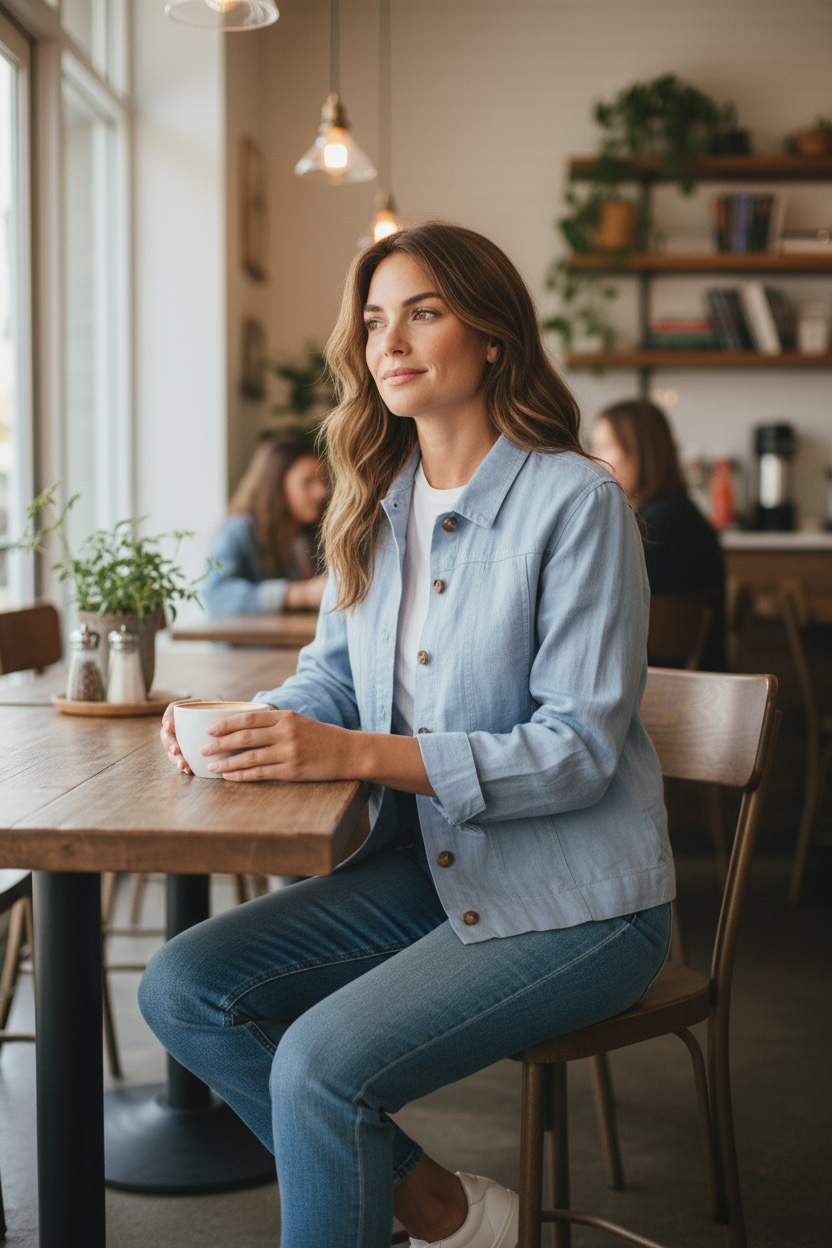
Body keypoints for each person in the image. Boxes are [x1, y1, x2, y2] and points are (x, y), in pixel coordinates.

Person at [141, 223, 674, 1248]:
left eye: (423, 311)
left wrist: (350, 755)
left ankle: (430, 1215)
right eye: (376, 319)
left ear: (491, 338)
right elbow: (337, 676)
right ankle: (444, 1212)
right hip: (430, 866)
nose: (390, 338)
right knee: (185, 988)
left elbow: (575, 749)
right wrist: (257, 726)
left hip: (579, 899)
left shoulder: (577, 502)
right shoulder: (375, 504)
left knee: (316, 1067)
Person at [590, 399, 727, 671]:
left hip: (660, 691)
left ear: (642, 452)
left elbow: (599, 609)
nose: (594, 459)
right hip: (693, 682)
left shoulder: (657, 526)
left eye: (606, 447)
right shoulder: (682, 513)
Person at [201, 437, 328, 616]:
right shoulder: (238, 531)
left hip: (298, 642)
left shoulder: (313, 534)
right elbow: (216, 596)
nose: (321, 492)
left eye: (323, 481)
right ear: (276, 484)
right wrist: (300, 594)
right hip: (252, 644)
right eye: (307, 482)